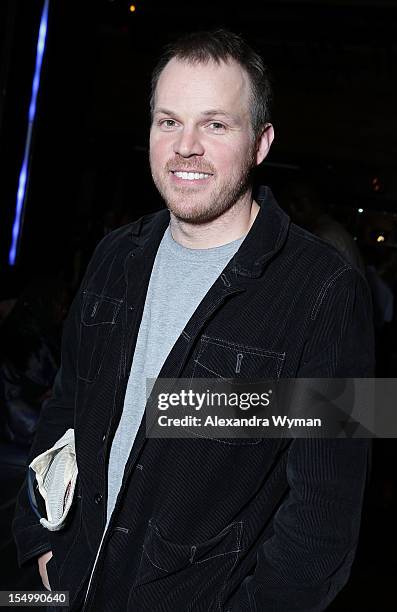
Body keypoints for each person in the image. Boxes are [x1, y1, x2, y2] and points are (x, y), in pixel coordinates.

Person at [13, 29, 374, 611]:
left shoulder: (330, 292)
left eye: (215, 124)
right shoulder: (113, 256)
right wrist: (39, 544)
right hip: (69, 587)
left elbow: (323, 524)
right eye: (168, 121)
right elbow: (63, 406)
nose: (186, 146)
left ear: (261, 142)